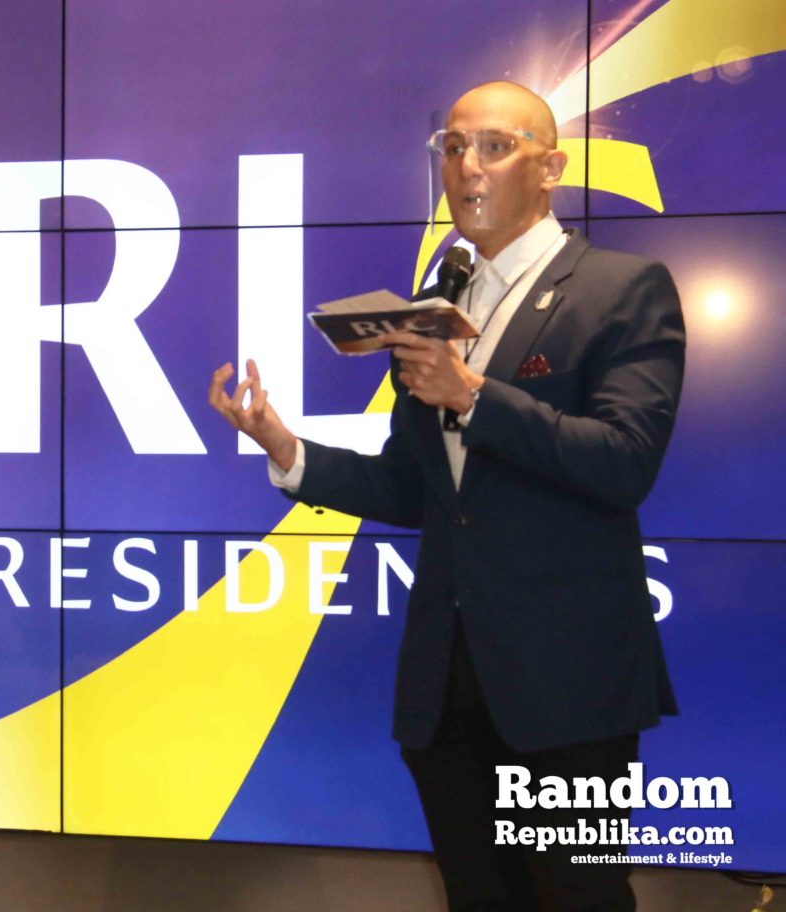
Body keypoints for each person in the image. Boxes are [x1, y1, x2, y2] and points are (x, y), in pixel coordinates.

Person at [209, 82, 684, 911]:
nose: (467, 167)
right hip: (449, 684)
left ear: (551, 169)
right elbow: (416, 487)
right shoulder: (442, 302)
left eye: (495, 146)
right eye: (453, 148)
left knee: (581, 899)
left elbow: (624, 461)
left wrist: (473, 395)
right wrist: (287, 451)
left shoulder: (622, 287)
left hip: (568, 683)